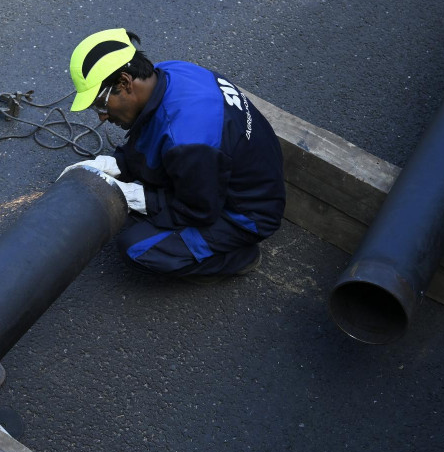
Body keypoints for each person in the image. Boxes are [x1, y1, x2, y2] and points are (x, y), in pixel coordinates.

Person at [63, 28, 285, 283]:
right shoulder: (171, 72)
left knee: (137, 247)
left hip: (246, 213)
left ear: (124, 82)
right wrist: (117, 164)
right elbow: (153, 131)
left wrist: (136, 198)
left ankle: (239, 258)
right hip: (229, 170)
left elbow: (198, 211)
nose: (101, 116)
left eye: (100, 105)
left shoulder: (189, 139)